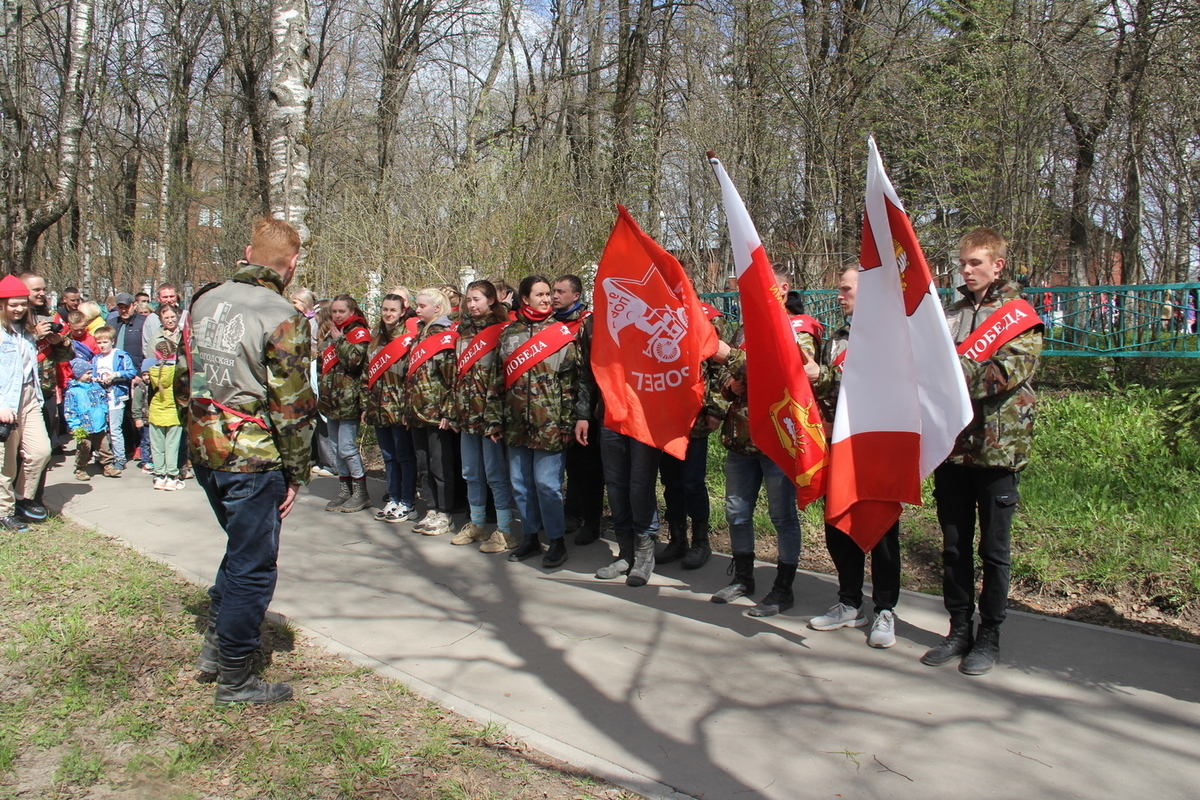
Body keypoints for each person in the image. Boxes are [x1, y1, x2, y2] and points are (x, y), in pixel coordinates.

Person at [179, 216, 316, 706]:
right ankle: (235, 677)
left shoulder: (204, 300)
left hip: (204, 448)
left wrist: (192, 437)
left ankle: (217, 648)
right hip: (252, 460)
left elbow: (182, 376)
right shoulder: (282, 314)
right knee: (254, 565)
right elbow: (294, 404)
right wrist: (298, 473)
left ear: (247, 250)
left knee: (240, 551)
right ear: (292, 262)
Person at [921, 228, 1042, 676]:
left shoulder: (1019, 316)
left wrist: (950, 375)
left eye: (976, 262)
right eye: (963, 262)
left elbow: (1008, 372)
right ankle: (958, 628)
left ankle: (989, 634)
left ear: (998, 265)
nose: (967, 270)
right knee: (954, 547)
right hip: (952, 448)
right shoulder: (948, 314)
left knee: (994, 550)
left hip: (997, 450)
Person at [712, 265, 820, 616]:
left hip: (778, 441)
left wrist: (733, 358)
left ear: (784, 289)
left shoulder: (800, 328)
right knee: (736, 512)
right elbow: (726, 378)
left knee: (781, 516)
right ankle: (743, 577)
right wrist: (730, 386)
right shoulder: (747, 328)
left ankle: (783, 587)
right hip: (741, 439)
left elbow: (787, 367)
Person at [807, 267, 903, 648]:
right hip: (839, 448)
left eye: (845, 288)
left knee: (880, 530)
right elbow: (830, 390)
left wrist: (825, 376)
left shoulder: (891, 335)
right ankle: (849, 602)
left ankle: (885, 609)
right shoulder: (838, 338)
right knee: (839, 525)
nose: (839, 295)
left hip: (877, 449)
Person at [486, 275, 579, 568]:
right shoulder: (509, 334)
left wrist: (567, 423)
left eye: (549, 293)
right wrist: (493, 419)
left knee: (547, 485)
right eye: (540, 294)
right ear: (524, 298)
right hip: (516, 423)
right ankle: (529, 536)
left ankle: (556, 540)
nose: (547, 298)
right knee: (520, 484)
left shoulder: (560, 333)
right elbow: (496, 380)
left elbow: (571, 384)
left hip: (549, 422)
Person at [657, 301, 734, 570]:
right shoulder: (656, 316)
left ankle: (701, 542)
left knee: (691, 482)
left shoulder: (710, 319)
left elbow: (721, 367)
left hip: (695, 417)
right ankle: (677, 539)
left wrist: (715, 408)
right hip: (665, 416)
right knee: (671, 481)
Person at [451, 280, 516, 552]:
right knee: (471, 473)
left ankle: (505, 531)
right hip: (467, 414)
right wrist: (453, 411)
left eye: (476, 299)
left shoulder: (503, 331)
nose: (471, 304)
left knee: (495, 474)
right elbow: (456, 375)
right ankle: (477, 524)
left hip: (490, 417)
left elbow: (503, 378)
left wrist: (495, 418)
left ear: (491, 300)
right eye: (468, 299)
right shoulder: (463, 330)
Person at [0, 275, 69, 530]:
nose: (18, 309)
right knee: (5, 462)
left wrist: (49, 338)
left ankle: (21, 499)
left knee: (41, 452)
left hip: (31, 398)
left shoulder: (27, 330)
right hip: (6, 402)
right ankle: (4, 512)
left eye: (22, 304)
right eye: (12, 304)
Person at [552, 273, 605, 545]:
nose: (554, 296)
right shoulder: (550, 324)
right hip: (559, 405)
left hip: (588, 404)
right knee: (570, 463)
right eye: (553, 291)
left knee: (590, 466)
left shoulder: (588, 322)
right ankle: (571, 512)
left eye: (561, 291)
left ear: (576, 295)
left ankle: (591, 519)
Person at [403, 287, 460, 536]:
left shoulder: (445, 336)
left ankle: (446, 513)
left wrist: (448, 411)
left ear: (437, 308)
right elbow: (411, 377)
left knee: (440, 465)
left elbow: (451, 378)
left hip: (436, 413)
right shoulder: (418, 335)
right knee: (423, 464)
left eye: (422, 305)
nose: (417, 309)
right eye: (417, 305)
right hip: (417, 410)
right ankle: (432, 509)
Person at [363, 293, 419, 524]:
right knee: (388, 457)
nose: (388, 314)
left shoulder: (409, 339)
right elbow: (367, 375)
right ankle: (393, 498)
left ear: (403, 311)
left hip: (398, 408)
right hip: (378, 407)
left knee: (404, 456)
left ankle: (408, 502)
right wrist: (367, 405)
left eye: (392, 310)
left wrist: (408, 408)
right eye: (385, 309)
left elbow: (412, 377)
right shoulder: (376, 338)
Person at [318, 294, 372, 513]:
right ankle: (345, 489)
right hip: (331, 400)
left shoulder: (359, 333)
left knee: (348, 447)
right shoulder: (332, 333)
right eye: (334, 311)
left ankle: (361, 492)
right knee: (336, 447)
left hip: (350, 400)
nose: (337, 315)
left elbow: (354, 362)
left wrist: (340, 340)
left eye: (342, 311)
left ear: (352, 312)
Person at [89, 326, 136, 477]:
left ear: (112, 341)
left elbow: (131, 372)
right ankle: (103, 456)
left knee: (115, 430)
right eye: (99, 342)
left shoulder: (120, 355)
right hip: (101, 398)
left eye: (105, 342)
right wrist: (96, 379)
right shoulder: (96, 358)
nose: (102, 345)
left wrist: (114, 375)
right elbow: (94, 375)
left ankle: (120, 458)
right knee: (102, 429)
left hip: (115, 397)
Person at [63, 358, 110, 481]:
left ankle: (108, 466)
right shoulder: (73, 391)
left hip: (99, 424)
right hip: (83, 427)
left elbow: (104, 400)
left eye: (91, 373)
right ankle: (81, 468)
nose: (91, 376)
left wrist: (104, 412)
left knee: (104, 446)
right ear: (79, 374)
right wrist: (75, 425)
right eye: (87, 373)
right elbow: (70, 410)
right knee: (84, 448)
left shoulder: (96, 387)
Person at [145, 339, 183, 490]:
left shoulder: (153, 370)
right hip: (173, 413)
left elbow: (150, 394)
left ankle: (159, 476)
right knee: (172, 446)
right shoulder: (178, 371)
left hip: (156, 412)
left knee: (157, 446)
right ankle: (172, 477)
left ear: (156, 354)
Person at [141, 284, 185, 355]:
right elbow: (146, 346)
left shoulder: (186, 315)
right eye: (165, 297)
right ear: (159, 298)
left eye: (172, 296)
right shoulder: (151, 319)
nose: (169, 300)